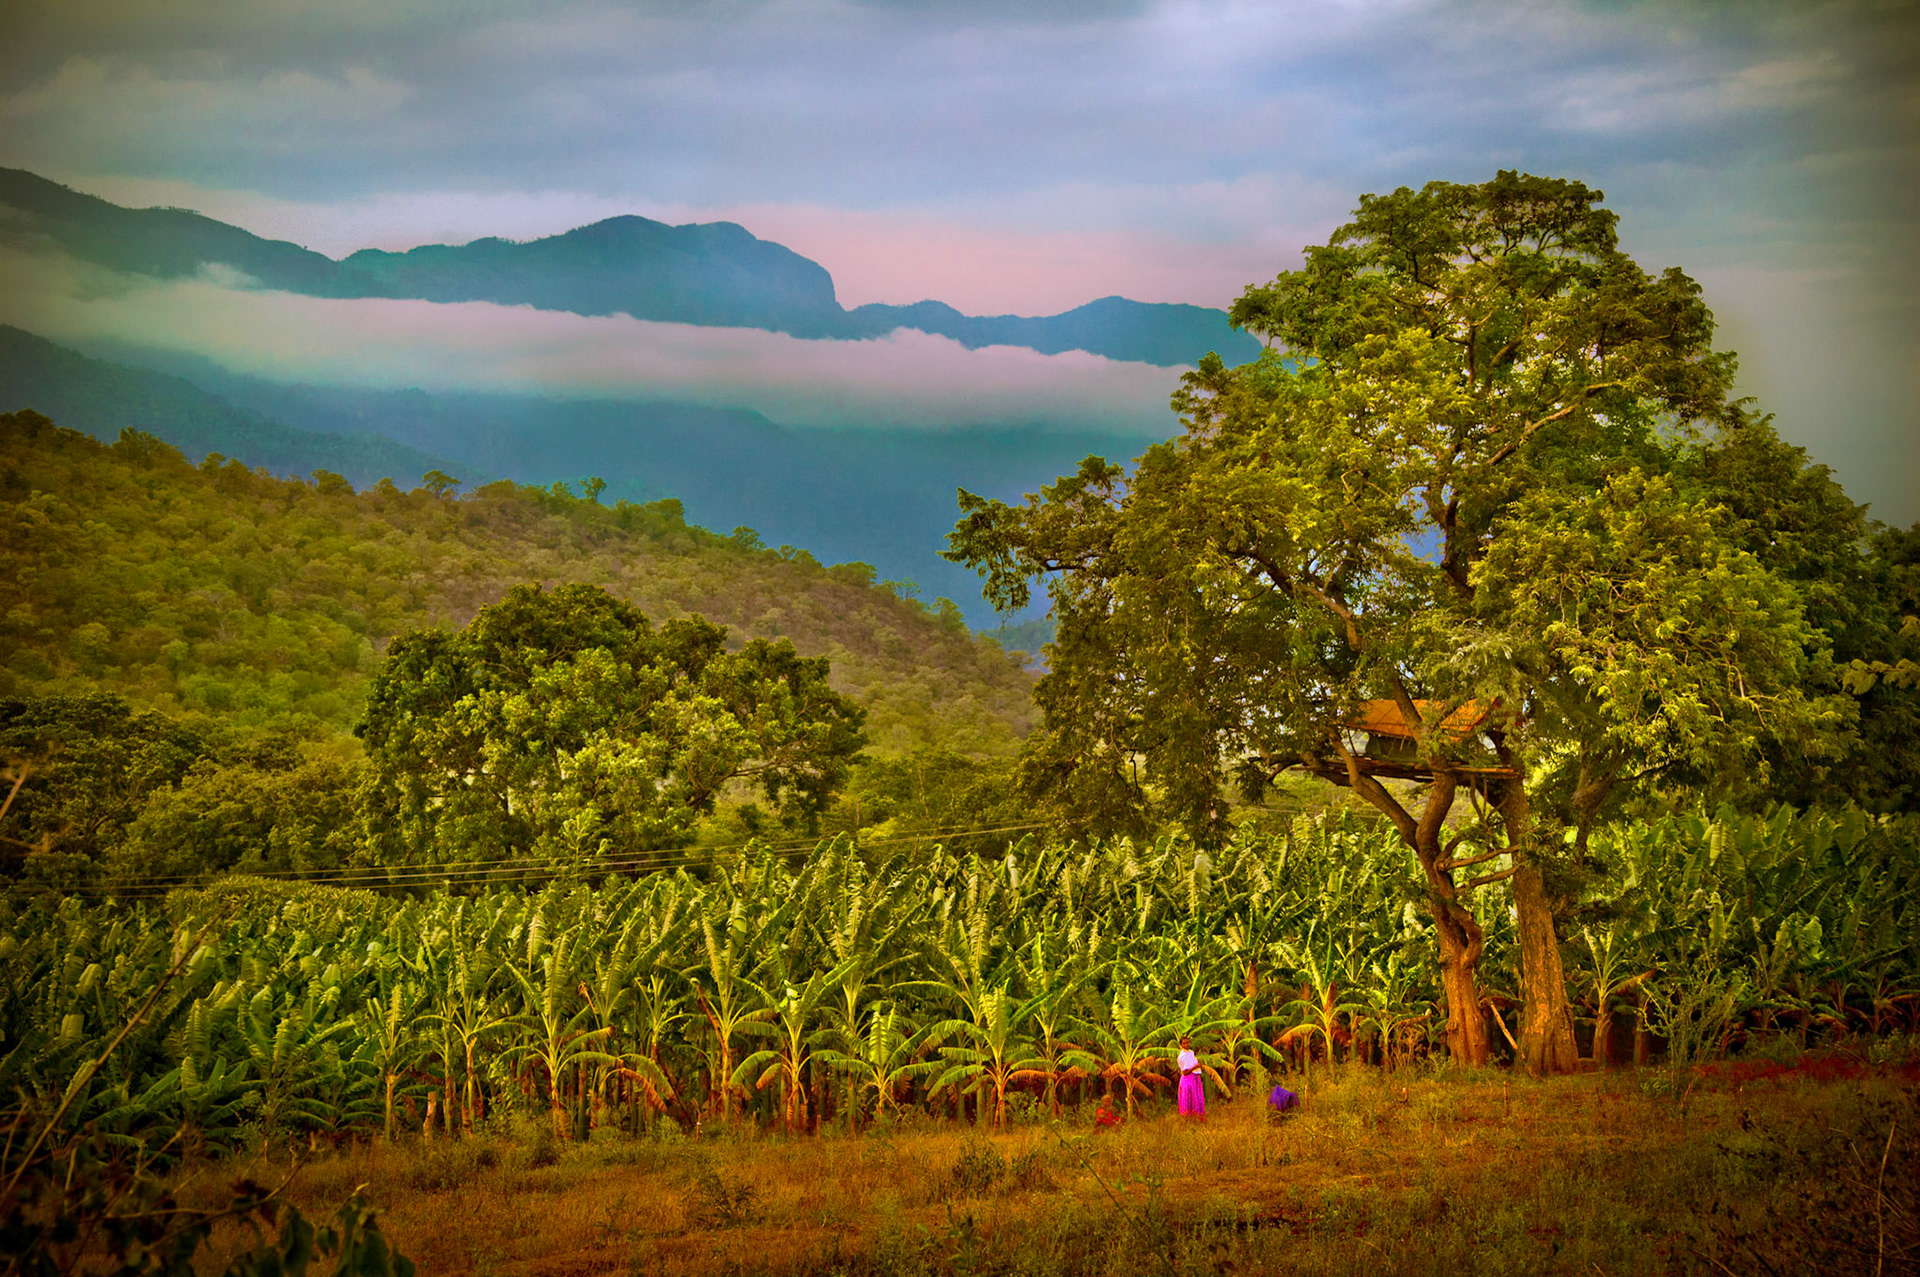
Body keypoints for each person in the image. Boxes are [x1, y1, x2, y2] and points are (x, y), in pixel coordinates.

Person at [1176, 1036, 1205, 1120]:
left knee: (1197, 1097)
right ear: (1181, 1045)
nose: (1186, 1045)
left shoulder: (1190, 1053)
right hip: (1188, 1079)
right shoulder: (1182, 1056)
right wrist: (1195, 1067)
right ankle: (1189, 1118)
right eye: (1184, 1043)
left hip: (1195, 1078)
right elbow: (1185, 1072)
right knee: (1189, 1099)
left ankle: (1198, 1117)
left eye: (1187, 1042)